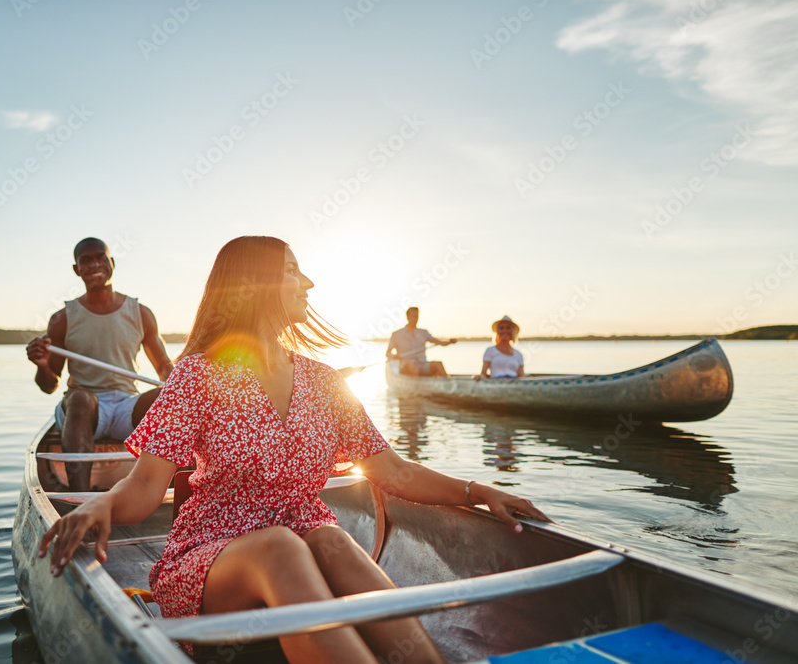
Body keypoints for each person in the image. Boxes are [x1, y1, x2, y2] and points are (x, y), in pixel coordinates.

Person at [39, 236, 550, 664]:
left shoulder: (324, 382)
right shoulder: (197, 376)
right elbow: (147, 485)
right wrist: (102, 504)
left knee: (334, 542)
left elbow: (393, 471)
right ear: (254, 287)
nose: (308, 283)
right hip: (212, 562)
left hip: (306, 541)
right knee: (282, 542)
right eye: (292, 271)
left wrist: (478, 490)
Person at [26, 237, 174, 491]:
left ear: (112, 263)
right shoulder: (62, 318)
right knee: (82, 399)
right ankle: (80, 501)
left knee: (167, 396)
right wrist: (41, 365)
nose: (94, 264)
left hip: (127, 405)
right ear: (76, 270)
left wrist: (186, 382)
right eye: (86, 260)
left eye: (100, 258)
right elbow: (50, 386)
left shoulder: (141, 313)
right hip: (85, 411)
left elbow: (164, 369)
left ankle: (167, 492)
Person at [385, 307, 457, 377]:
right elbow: (388, 353)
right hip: (406, 365)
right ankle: (416, 386)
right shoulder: (397, 334)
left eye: (417, 316)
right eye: (413, 316)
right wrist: (394, 356)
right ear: (407, 317)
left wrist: (449, 342)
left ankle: (448, 384)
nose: (415, 319)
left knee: (438, 364)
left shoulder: (423, 332)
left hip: (422, 364)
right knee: (410, 364)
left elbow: (439, 343)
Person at [474, 315, 525, 381]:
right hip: (495, 383)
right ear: (498, 332)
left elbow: (521, 376)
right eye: (501, 328)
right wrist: (478, 377)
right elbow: (483, 374)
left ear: (512, 331)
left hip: (514, 383)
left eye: (508, 328)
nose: (504, 331)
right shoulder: (490, 351)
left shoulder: (518, 354)